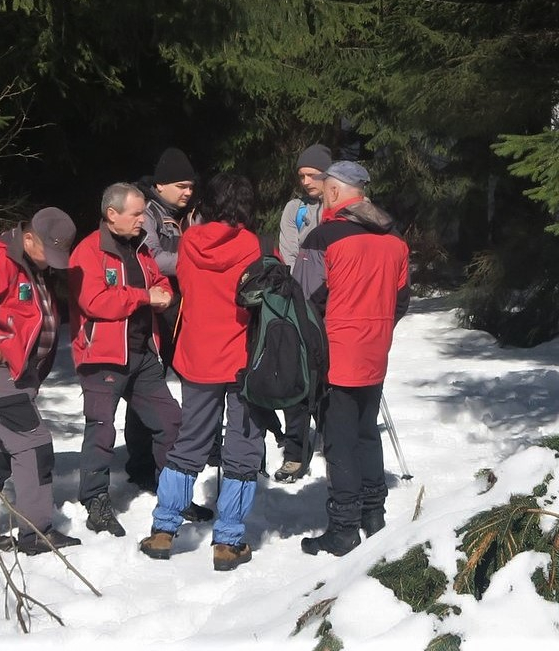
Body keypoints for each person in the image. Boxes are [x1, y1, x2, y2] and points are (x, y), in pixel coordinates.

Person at [139, 173, 263, 571]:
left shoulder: (191, 240)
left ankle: (163, 529)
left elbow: (187, 284)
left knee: (189, 441)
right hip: (241, 357)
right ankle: (228, 541)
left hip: (198, 355)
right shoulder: (250, 244)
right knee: (242, 445)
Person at [292, 161, 410, 557]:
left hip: (336, 354)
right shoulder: (394, 238)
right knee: (366, 431)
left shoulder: (324, 237)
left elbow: (304, 301)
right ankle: (374, 516)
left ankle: (343, 529)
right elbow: (401, 300)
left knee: (339, 440)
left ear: (334, 191)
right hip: (375, 351)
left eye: (325, 187)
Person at [0, 207, 82, 557]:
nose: (51, 261)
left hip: (12, 377)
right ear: (28, 238)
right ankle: (36, 533)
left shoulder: (30, 265)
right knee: (34, 445)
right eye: (48, 252)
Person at [68, 182, 183, 538]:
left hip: (142, 352)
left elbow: (159, 280)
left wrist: (163, 293)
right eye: (135, 215)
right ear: (111, 214)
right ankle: (95, 502)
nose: (142, 221)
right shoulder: (88, 252)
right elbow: (95, 301)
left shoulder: (141, 247)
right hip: (103, 356)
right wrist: (144, 297)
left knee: (170, 421)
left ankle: (172, 495)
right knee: (101, 430)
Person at [122, 147, 196, 493]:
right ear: (161, 185)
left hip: (187, 307)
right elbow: (152, 256)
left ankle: (182, 451)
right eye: (181, 186)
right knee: (147, 387)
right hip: (157, 309)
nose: (188, 192)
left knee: (187, 385)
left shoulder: (191, 214)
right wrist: (197, 258)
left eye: (191, 186)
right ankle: (141, 462)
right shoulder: (147, 212)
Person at [273, 143, 332, 483]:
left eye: (312, 174)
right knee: (297, 376)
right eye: (302, 175)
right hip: (301, 305)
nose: (306, 181)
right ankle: (295, 451)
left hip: (335, 306)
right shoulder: (295, 208)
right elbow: (289, 253)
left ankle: (331, 439)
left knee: (331, 378)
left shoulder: (341, 208)